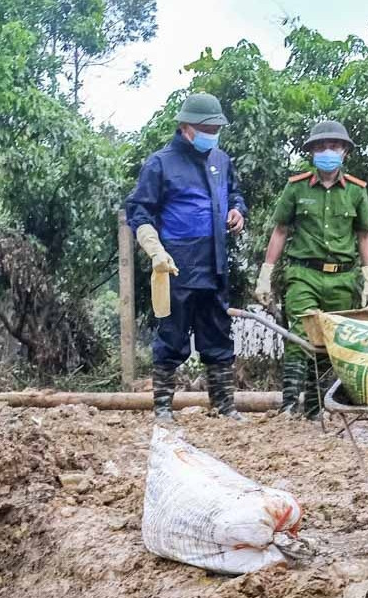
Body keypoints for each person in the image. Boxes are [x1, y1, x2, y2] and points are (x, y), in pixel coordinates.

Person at [125, 92, 248, 423]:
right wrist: (154, 248)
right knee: (172, 335)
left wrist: (237, 210)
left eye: (217, 127)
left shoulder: (221, 160)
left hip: (216, 263)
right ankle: (163, 407)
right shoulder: (160, 163)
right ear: (185, 127)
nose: (213, 132)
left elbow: (235, 193)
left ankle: (224, 405)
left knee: (219, 334)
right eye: (206, 127)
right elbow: (139, 210)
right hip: (176, 263)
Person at [256, 120, 368, 419]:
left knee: (329, 340)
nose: (328, 152)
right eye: (321, 147)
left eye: (334, 147)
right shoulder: (296, 188)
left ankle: (315, 408)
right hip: (303, 274)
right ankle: (288, 407)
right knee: (300, 333)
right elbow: (280, 230)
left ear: (345, 152)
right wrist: (266, 272)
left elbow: (364, 234)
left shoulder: (356, 192)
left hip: (343, 277)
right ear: (311, 151)